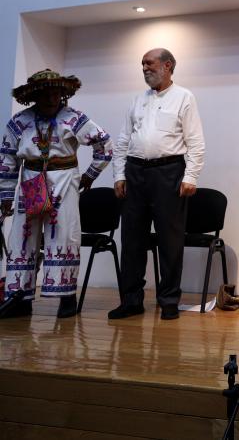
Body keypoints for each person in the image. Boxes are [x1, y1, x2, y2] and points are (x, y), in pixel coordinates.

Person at [0, 69, 113, 318]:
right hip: (30, 181)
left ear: (63, 95)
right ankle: (20, 297)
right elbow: (7, 158)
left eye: (56, 94)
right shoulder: (19, 122)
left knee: (63, 235)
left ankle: (66, 297)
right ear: (34, 96)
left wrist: (90, 175)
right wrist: (6, 196)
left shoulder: (74, 119)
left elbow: (104, 144)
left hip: (64, 181)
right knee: (22, 236)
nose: (52, 99)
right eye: (45, 94)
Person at [108, 49, 205, 321]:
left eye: (149, 63)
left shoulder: (184, 97)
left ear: (168, 65)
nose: (144, 68)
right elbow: (123, 140)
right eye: (142, 64)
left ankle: (169, 300)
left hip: (169, 172)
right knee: (131, 240)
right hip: (135, 172)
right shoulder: (137, 100)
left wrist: (191, 177)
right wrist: (119, 175)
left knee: (170, 240)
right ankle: (131, 300)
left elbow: (195, 142)